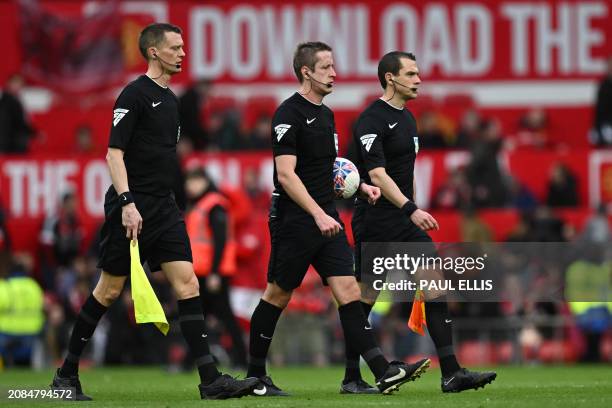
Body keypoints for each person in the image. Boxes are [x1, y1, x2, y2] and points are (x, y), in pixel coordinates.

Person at [50, 23, 257, 400]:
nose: (182, 53)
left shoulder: (172, 100)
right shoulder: (134, 95)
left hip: (163, 207)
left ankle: (210, 381)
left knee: (188, 284)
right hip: (131, 206)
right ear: (154, 52)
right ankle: (66, 375)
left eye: (182, 47)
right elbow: (113, 154)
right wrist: (127, 203)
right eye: (175, 47)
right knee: (109, 290)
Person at [245, 42, 430, 397]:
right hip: (296, 220)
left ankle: (382, 370)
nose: (334, 73)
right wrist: (315, 212)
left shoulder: (327, 115)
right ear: (307, 72)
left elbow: (325, 170)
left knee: (349, 291)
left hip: (326, 218)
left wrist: (359, 188)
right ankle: (255, 376)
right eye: (327, 67)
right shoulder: (288, 114)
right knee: (278, 294)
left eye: (333, 66)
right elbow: (286, 175)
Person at [347, 51, 497, 393]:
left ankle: (451, 373)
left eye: (418, 73)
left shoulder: (409, 120)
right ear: (390, 78)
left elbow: (405, 174)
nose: (418, 79)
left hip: (402, 218)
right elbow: (377, 174)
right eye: (411, 74)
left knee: (434, 283)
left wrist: (412, 207)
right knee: (365, 299)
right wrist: (410, 208)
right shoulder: (371, 119)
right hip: (376, 219)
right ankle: (351, 376)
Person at [184, 167, 248, 368]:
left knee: (216, 317)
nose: (190, 186)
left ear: (204, 181)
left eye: (195, 181)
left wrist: (214, 273)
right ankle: (188, 362)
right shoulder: (202, 204)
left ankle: (241, 359)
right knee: (199, 317)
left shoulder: (214, 205)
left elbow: (220, 242)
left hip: (212, 273)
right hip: (203, 272)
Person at [0, 73, 35, 153]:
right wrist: (34, 133)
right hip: (10, 145)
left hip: (12, 144)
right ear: (9, 83)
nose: (18, 86)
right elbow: (18, 123)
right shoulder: (7, 102)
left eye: (20, 84)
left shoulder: (17, 100)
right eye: (15, 83)